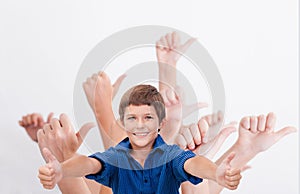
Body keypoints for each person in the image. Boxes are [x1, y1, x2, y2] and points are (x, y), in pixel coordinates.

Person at [38, 84, 242, 193]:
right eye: (133, 119)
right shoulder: (117, 158)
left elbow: (193, 163)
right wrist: (63, 168)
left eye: (148, 118)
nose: (140, 125)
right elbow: (91, 164)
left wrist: (216, 172)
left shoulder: (171, 156)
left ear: (160, 123)